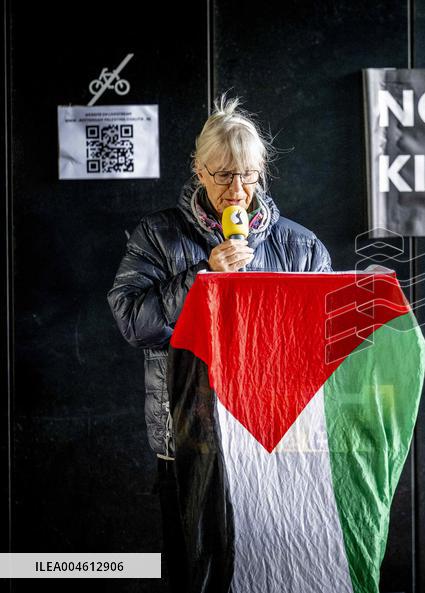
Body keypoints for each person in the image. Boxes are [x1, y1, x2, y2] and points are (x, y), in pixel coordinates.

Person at [107, 95, 332, 590]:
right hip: (190, 440)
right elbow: (132, 321)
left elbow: (325, 342)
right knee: (196, 574)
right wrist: (202, 276)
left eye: (248, 175)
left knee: (275, 572)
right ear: (198, 170)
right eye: (223, 174)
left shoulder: (299, 245)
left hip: (274, 444)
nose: (236, 190)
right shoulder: (159, 236)